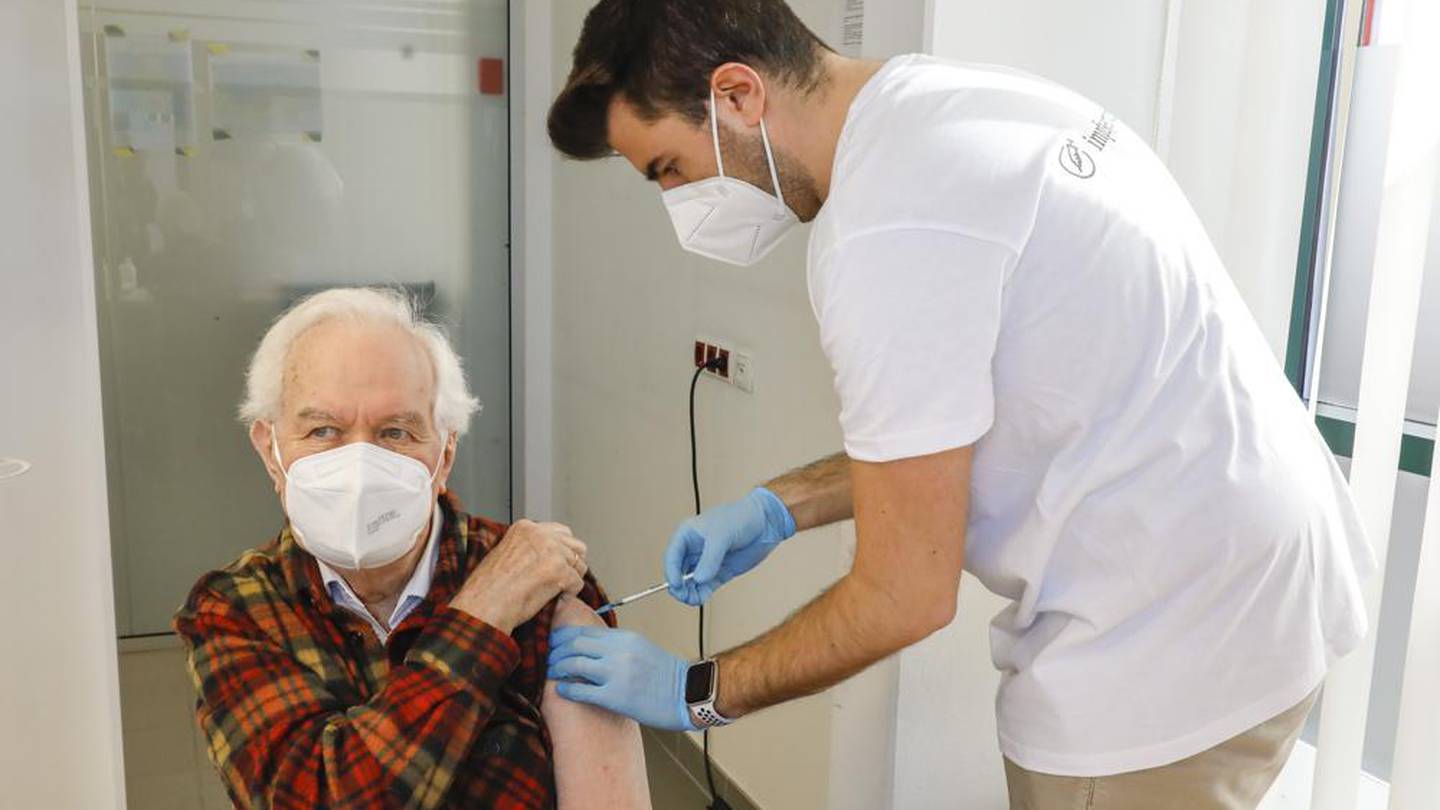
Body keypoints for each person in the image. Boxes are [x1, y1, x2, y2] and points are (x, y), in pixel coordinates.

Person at [542, 1, 1377, 807]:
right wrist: (779, 508)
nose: (677, 204)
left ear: (736, 94)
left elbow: (903, 596)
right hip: (1268, 573)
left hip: (1167, 647)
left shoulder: (884, 231)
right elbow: (966, 425)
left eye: (670, 170)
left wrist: (698, 691)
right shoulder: (955, 105)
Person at [174, 287, 651, 809]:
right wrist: (485, 611)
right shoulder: (234, 609)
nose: (359, 465)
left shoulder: (540, 579)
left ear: (444, 455)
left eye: (395, 432)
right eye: (323, 430)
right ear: (270, 451)